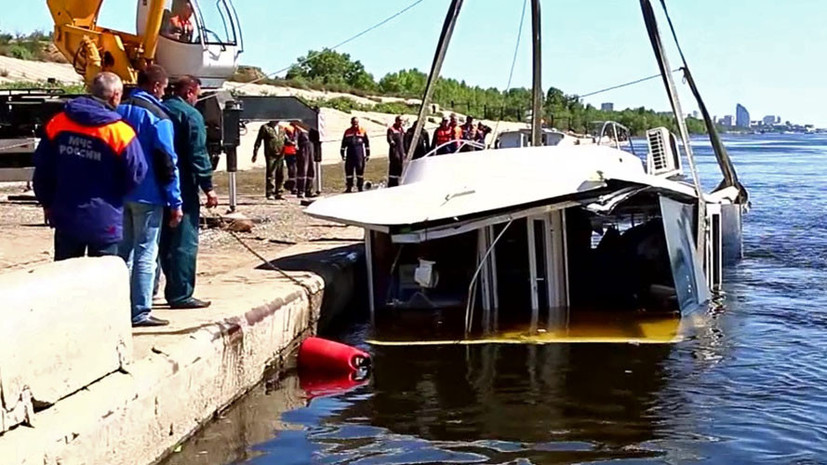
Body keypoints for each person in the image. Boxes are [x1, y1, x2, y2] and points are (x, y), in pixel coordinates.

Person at [33, 72, 147, 261]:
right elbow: (136, 173)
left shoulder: (58, 122)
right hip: (104, 217)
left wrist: (47, 202)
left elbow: (43, 168)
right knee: (102, 281)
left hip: (65, 215)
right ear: (115, 95)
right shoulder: (119, 131)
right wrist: (114, 194)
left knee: (66, 276)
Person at [117, 64, 183, 327]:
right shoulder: (158, 116)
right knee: (146, 251)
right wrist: (175, 200)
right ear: (157, 86)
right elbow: (167, 160)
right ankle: (140, 310)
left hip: (119, 191)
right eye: (164, 88)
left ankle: (118, 305)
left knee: (122, 252)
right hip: (149, 192)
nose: (164, 93)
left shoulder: (117, 110)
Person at [161, 75, 218, 309]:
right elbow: (198, 153)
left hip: (158, 184)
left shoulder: (159, 109)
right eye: (198, 94)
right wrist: (209, 188)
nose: (198, 99)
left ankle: (165, 288)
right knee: (184, 241)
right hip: (183, 184)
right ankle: (181, 294)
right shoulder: (190, 115)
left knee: (163, 241)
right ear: (189, 92)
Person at [252, 120, 284, 200]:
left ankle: (279, 192)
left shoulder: (282, 128)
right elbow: (258, 141)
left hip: (281, 153)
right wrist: (255, 153)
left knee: (280, 173)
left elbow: (284, 139)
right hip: (270, 154)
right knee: (271, 174)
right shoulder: (265, 128)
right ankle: (270, 192)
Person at [340, 117, 370, 193]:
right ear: (351, 123)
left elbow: (366, 143)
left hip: (359, 155)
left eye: (356, 123)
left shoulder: (362, 131)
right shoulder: (347, 131)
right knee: (349, 172)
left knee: (360, 171)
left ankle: (360, 187)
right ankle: (349, 187)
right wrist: (342, 153)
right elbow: (343, 144)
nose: (355, 124)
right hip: (350, 154)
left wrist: (368, 154)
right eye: (354, 123)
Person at [295, 124, 316, 198]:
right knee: (302, 170)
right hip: (303, 150)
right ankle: (300, 191)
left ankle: (309, 190)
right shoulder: (298, 129)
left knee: (311, 170)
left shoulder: (312, 129)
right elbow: (295, 141)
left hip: (311, 149)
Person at [386, 116, 405, 187]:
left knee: (400, 166)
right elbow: (389, 138)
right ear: (396, 121)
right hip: (394, 151)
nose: (401, 122)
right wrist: (391, 142)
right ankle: (391, 183)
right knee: (394, 166)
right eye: (399, 121)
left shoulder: (402, 130)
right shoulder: (391, 129)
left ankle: (399, 182)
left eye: (402, 121)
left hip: (401, 151)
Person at [282, 123, 298, 194]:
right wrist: (292, 143)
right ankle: (293, 187)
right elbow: (287, 141)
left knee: (293, 170)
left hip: (292, 152)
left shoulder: (293, 129)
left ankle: (293, 186)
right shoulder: (290, 129)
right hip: (290, 153)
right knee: (292, 170)